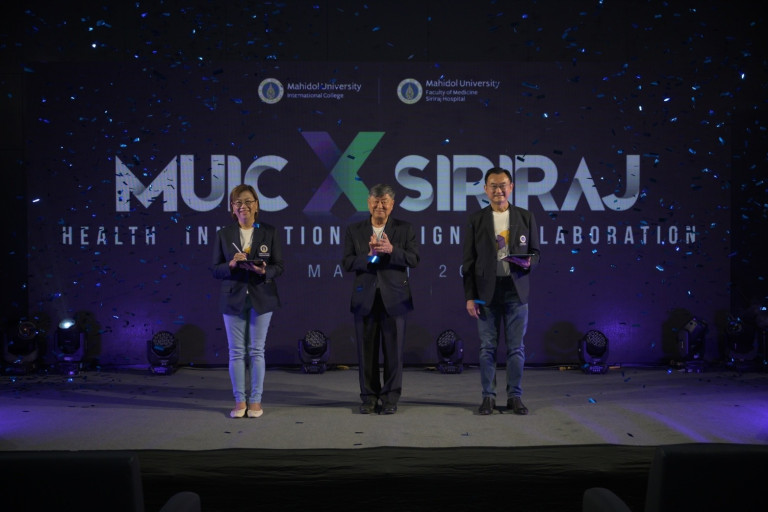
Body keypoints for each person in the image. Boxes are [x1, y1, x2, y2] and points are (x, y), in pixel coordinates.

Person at [462, 167, 540, 415]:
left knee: (516, 348)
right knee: (487, 348)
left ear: (511, 187)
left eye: (503, 185)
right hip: (486, 292)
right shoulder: (476, 219)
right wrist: (470, 297)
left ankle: (515, 397)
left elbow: (536, 253)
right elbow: (468, 263)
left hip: (516, 291)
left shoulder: (525, 216)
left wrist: (529, 262)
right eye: (493, 186)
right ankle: (488, 397)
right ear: (486, 189)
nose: (499, 190)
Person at [342, 184, 420, 414]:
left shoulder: (405, 229)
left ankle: (390, 398)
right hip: (365, 298)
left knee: (394, 353)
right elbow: (347, 262)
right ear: (368, 204)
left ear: (392, 204)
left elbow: (414, 259)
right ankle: (368, 397)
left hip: (395, 298)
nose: (380, 206)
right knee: (366, 353)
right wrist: (367, 257)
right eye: (375, 201)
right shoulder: (354, 230)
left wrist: (391, 250)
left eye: (384, 201)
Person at [212, 184, 283, 418]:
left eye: (248, 201)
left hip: (262, 295)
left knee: (256, 350)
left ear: (257, 205)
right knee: (236, 352)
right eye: (238, 202)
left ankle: (255, 401)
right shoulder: (224, 234)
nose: (243, 206)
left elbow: (279, 266)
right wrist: (232, 264)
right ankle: (239, 401)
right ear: (232, 208)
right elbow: (215, 269)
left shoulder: (269, 232)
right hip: (233, 296)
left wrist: (263, 270)